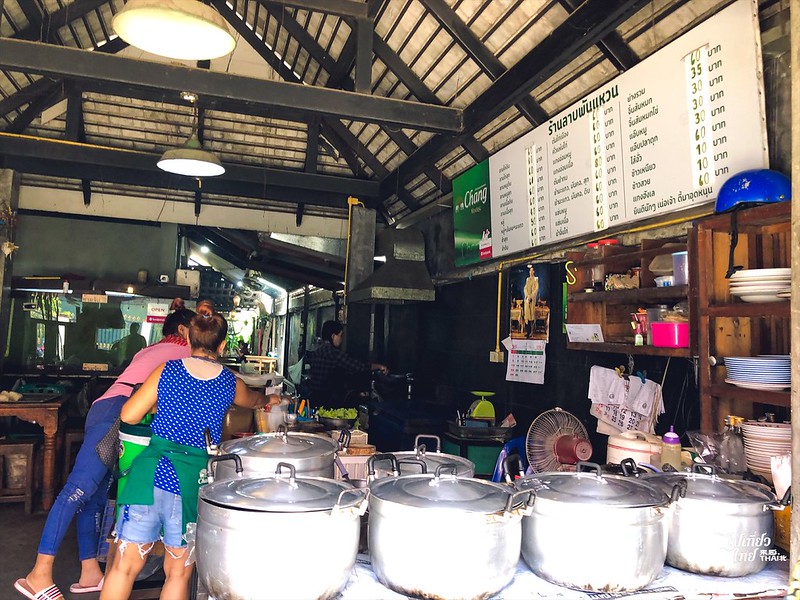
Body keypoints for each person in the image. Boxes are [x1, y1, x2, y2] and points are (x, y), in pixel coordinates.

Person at [15, 299, 197, 600]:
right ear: (182, 329)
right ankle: (39, 573)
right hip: (118, 412)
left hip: (105, 407)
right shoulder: (184, 351)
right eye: (195, 327)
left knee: (96, 494)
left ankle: (90, 571)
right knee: (78, 489)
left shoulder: (149, 349)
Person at [99, 303, 280, 600]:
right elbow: (255, 401)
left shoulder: (166, 371)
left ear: (188, 340)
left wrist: (159, 406)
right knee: (178, 573)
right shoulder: (229, 382)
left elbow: (129, 415)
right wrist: (270, 398)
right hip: (190, 483)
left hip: (149, 476)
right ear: (222, 345)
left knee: (124, 568)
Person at [304, 320, 388, 407]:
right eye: (340, 335)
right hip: (327, 401)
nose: (341, 339)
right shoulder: (333, 353)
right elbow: (358, 366)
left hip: (313, 399)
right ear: (333, 336)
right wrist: (379, 366)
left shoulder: (317, 352)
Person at [523, 265, 539, 337]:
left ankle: (531, 332)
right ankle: (527, 331)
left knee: (532, 316)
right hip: (527, 299)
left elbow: (536, 289)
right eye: (530, 271)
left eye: (532, 270)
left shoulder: (536, 279)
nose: (530, 272)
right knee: (527, 315)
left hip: (532, 300)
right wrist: (527, 296)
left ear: (534, 271)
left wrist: (531, 296)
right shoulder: (527, 279)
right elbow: (525, 288)